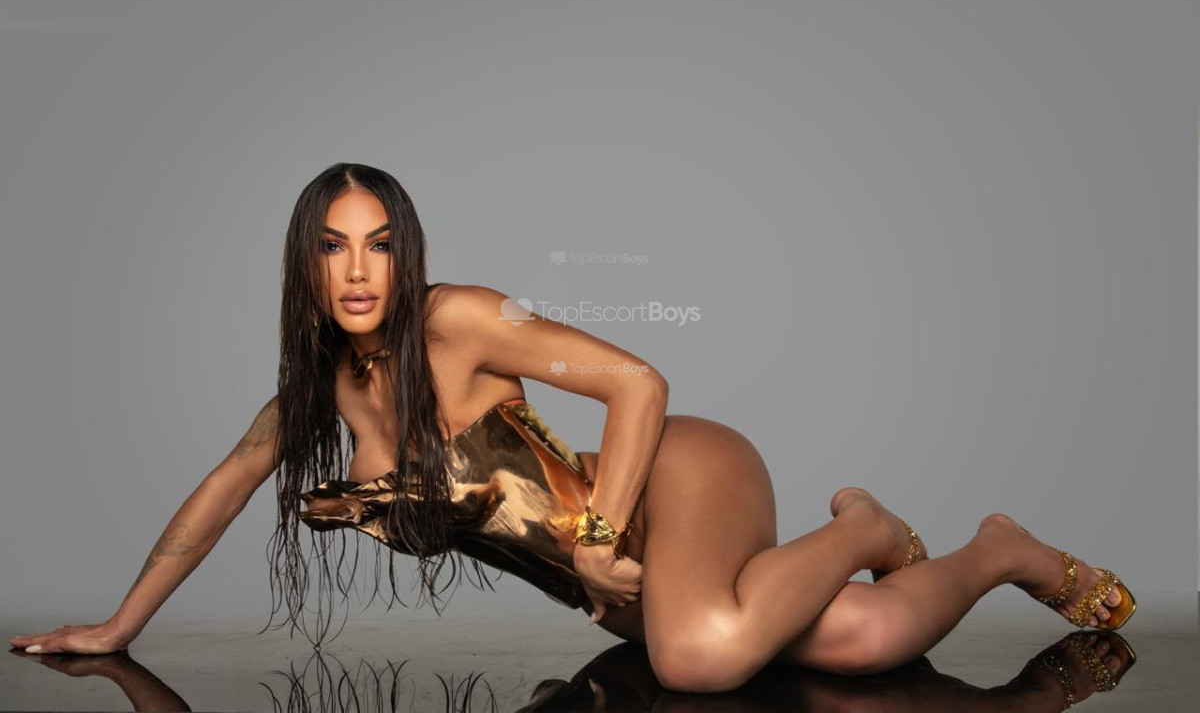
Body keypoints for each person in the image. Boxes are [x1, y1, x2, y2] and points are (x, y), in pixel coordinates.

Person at [9, 163, 1137, 694]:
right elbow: (216, 496)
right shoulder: (311, 397)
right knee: (857, 643)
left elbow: (640, 382)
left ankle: (866, 527)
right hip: (633, 571)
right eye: (333, 246)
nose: (358, 269)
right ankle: (998, 550)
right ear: (304, 264)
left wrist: (597, 538)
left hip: (680, 476)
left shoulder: (457, 321)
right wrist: (116, 626)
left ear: (407, 253)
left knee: (696, 656)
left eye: (380, 243)